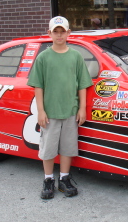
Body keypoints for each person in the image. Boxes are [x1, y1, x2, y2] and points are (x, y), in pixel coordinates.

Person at [27, 16, 93, 199]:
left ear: (68, 33)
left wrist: (82, 108)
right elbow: (38, 86)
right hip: (50, 113)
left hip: (71, 111)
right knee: (48, 148)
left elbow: (82, 85)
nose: (59, 35)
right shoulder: (43, 58)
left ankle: (64, 178)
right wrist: (41, 110)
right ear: (49, 33)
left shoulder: (76, 56)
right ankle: (48, 179)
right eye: (55, 31)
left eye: (62, 31)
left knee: (67, 147)